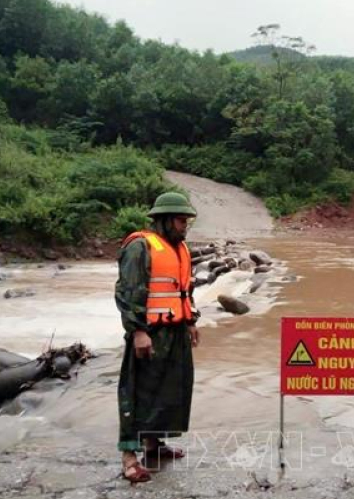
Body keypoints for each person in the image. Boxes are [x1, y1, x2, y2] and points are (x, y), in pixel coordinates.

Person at [114, 191, 201, 483]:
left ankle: (154, 445)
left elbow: (183, 290)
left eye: (186, 221)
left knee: (171, 389)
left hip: (175, 332)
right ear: (163, 220)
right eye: (180, 220)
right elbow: (127, 293)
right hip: (149, 332)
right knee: (139, 392)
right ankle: (129, 458)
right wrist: (138, 331)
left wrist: (190, 321)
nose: (184, 226)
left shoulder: (180, 248)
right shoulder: (140, 247)